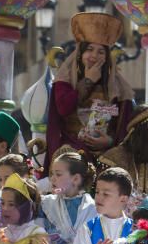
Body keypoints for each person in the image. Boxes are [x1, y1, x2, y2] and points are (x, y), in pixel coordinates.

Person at [45, 12, 134, 167]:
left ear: (107, 57)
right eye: (90, 49)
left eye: (101, 52)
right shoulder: (65, 79)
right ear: (80, 53)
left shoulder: (118, 87)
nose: (94, 55)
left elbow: (125, 128)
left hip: (106, 158)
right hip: (71, 156)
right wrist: (88, 81)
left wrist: (109, 141)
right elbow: (63, 109)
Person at [41, 149, 97, 244]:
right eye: (52, 174)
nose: (52, 179)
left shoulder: (92, 208)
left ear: (76, 179)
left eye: (58, 174)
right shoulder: (46, 203)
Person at [72, 167, 133, 244]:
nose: (98, 197)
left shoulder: (134, 230)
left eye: (106, 194)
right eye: (97, 192)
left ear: (123, 199)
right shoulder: (88, 229)